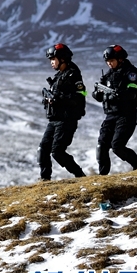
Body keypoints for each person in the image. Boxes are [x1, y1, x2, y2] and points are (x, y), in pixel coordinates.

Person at [92, 45, 137, 174]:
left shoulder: (131, 72)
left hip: (126, 115)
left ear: (120, 59)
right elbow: (98, 94)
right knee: (101, 145)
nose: (109, 64)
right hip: (110, 115)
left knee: (117, 146)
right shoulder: (108, 75)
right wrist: (98, 94)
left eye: (111, 60)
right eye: (107, 61)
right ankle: (102, 177)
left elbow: (132, 92)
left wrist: (118, 95)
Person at [38, 43, 87, 181]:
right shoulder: (59, 75)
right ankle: (45, 180)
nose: (51, 62)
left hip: (67, 120)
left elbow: (80, 97)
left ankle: (80, 176)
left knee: (57, 152)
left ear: (63, 59)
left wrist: (58, 99)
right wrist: (48, 100)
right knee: (43, 149)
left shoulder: (73, 75)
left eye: (53, 59)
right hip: (54, 120)